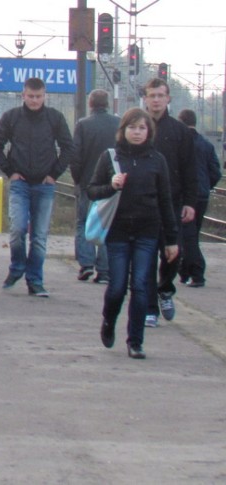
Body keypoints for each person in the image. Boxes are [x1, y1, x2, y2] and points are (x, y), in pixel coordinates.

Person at [88, 108, 178, 359]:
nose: (137, 133)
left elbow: (165, 201)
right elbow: (92, 191)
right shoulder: (110, 158)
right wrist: (111, 185)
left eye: (142, 128)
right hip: (117, 232)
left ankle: (135, 341)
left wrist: (171, 240)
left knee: (140, 286)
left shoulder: (157, 160)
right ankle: (109, 319)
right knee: (116, 286)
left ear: (149, 132)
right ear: (123, 130)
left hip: (147, 233)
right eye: (132, 128)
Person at [0, 77, 75, 297]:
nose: (35, 100)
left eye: (38, 96)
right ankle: (17, 267)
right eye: (31, 96)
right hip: (20, 184)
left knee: (39, 236)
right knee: (17, 229)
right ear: (23, 95)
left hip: (44, 186)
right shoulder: (12, 118)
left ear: (45, 96)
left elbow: (68, 148)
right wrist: (10, 172)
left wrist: (54, 174)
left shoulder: (55, 118)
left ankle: (35, 281)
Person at [142, 78, 197, 327]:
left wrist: (190, 202)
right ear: (145, 98)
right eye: (151, 95)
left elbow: (189, 170)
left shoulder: (180, 132)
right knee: (145, 257)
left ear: (168, 99)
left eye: (160, 95)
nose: (155, 100)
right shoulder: (136, 127)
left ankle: (165, 289)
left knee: (174, 254)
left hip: (172, 203)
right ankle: (150, 308)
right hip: (142, 203)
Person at [70, 89, 120, 284]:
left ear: (90, 104)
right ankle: (105, 271)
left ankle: (86, 265)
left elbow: (76, 156)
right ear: (107, 104)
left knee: (84, 222)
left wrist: (79, 179)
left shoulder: (83, 125)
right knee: (106, 224)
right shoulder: (118, 123)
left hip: (87, 183)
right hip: (111, 183)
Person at [177, 109, 222, 287]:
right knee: (192, 234)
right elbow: (215, 172)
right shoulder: (206, 144)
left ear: (181, 122)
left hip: (185, 195)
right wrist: (206, 186)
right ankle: (185, 270)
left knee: (186, 235)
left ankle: (196, 273)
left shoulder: (180, 143)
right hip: (202, 195)